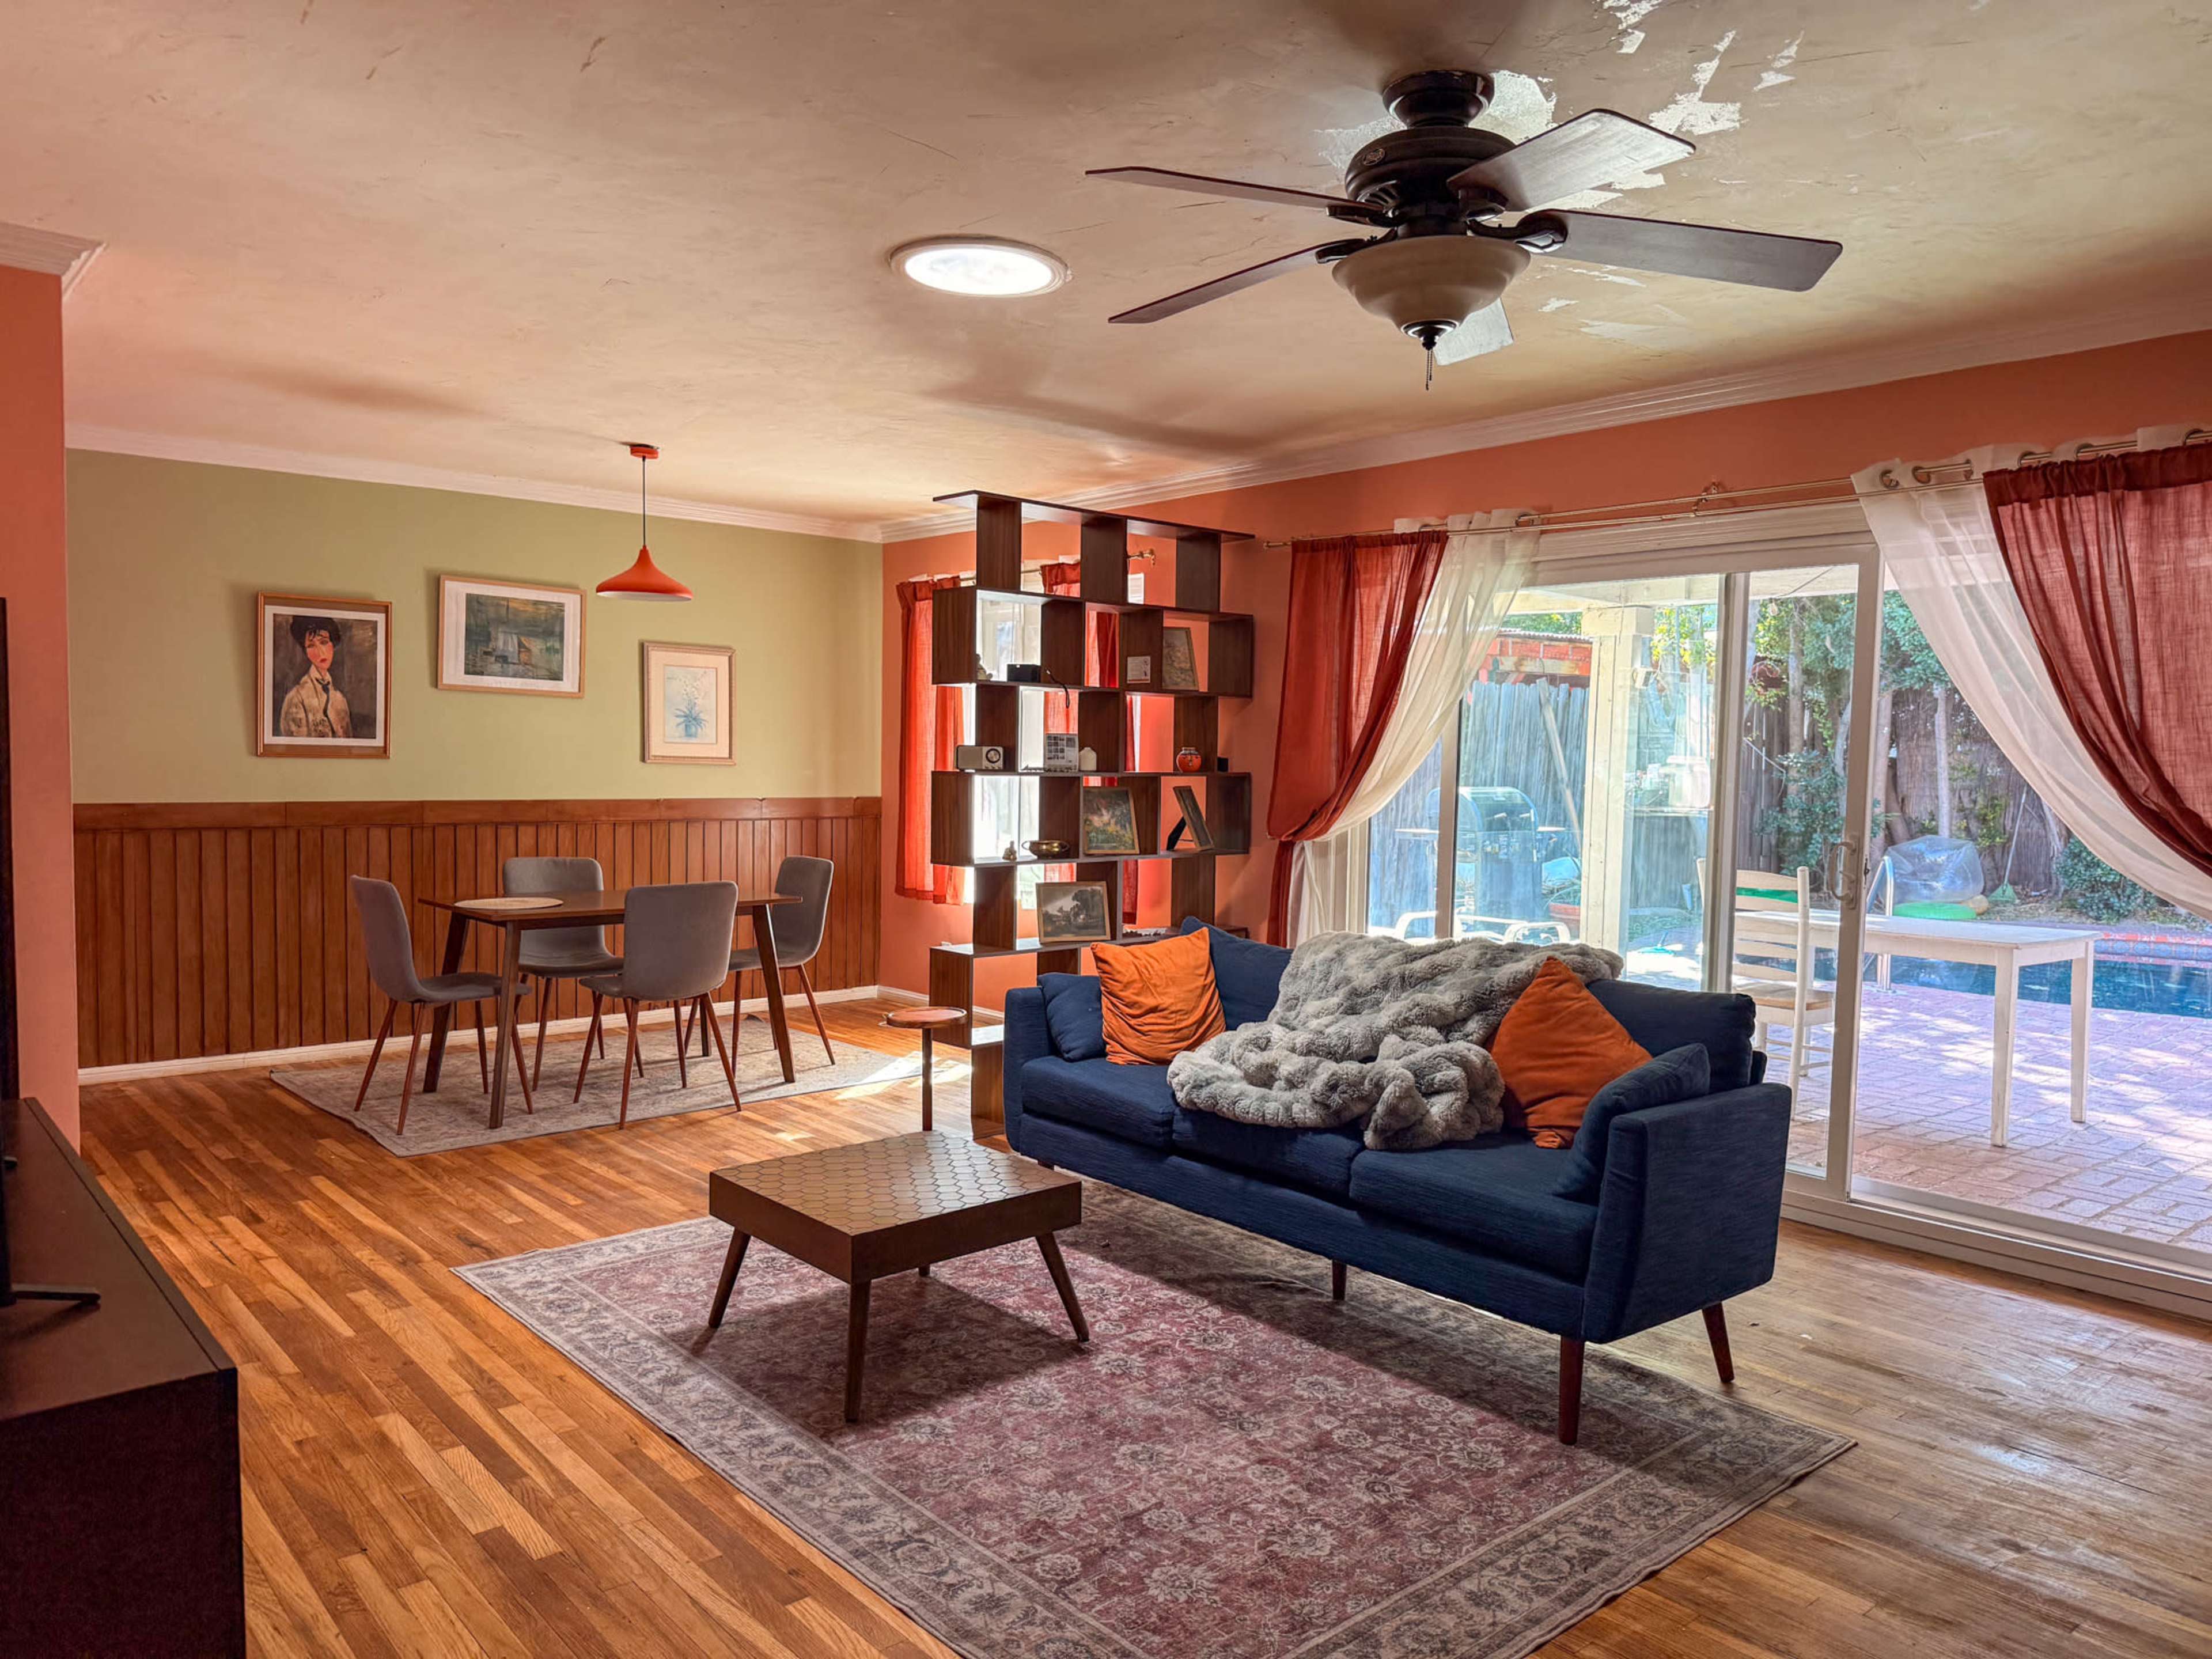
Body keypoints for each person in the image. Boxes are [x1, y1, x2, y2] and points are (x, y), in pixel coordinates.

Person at [279, 614, 351, 738]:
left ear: (333, 645)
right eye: (311, 646)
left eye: (324, 642)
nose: (320, 652)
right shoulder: (296, 698)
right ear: (306, 652)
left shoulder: (341, 700)